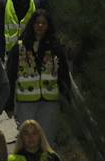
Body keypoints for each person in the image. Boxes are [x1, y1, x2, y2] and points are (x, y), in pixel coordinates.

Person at [7, 9, 68, 143]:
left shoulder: (55, 48)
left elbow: (63, 75)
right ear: (32, 25)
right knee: (28, 140)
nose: (40, 26)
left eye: (43, 23)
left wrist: (66, 99)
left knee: (47, 140)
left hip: (50, 102)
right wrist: (9, 103)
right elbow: (10, 76)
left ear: (48, 26)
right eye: (37, 23)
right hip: (26, 102)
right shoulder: (20, 48)